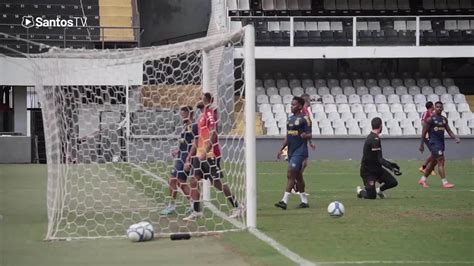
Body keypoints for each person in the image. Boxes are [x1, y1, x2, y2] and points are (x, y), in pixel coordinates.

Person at [183, 93, 242, 221]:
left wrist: (206, 150)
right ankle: (196, 211)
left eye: (202, 97)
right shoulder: (200, 117)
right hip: (199, 155)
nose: (198, 99)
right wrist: (189, 156)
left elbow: (214, 133)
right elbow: (196, 140)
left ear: (208, 101)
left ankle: (237, 206)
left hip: (210, 155)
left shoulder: (210, 114)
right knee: (193, 180)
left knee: (217, 183)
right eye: (198, 97)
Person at [275, 96, 312, 210]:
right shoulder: (289, 119)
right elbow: (288, 136)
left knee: (291, 173)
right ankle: (304, 202)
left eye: (294, 105)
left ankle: (284, 201)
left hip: (300, 151)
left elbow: (310, 134)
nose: (291, 106)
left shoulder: (305, 119)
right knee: (298, 176)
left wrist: (305, 136)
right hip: (291, 151)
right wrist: (281, 148)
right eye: (291, 104)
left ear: (300, 106)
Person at [160, 106, 197, 215]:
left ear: (188, 113)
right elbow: (186, 142)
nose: (181, 115)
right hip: (181, 156)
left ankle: (173, 205)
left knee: (174, 180)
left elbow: (195, 143)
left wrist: (188, 158)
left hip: (185, 158)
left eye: (183, 113)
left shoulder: (192, 125)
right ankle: (192, 204)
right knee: (179, 182)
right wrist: (178, 150)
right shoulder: (186, 125)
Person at [418, 101, 460, 188]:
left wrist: (455, 138)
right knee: (441, 160)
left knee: (433, 163)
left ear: (442, 108)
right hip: (433, 143)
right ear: (435, 108)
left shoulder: (444, 119)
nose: (439, 108)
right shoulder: (430, 119)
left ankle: (423, 180)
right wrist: (421, 145)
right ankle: (445, 182)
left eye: (440, 107)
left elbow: (449, 130)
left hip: (441, 144)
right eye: (437, 107)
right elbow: (423, 133)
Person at [357, 117, 401, 199]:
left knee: (393, 182)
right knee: (371, 196)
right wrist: (391, 168)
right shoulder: (374, 139)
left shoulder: (374, 137)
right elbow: (380, 159)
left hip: (377, 169)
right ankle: (360, 191)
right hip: (368, 172)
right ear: (381, 126)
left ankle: (379, 190)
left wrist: (391, 165)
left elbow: (378, 158)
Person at [290, 94, 316, 195]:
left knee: (303, 164)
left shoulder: (305, 112)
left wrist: (310, 142)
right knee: (300, 165)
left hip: (300, 143)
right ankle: (294, 186)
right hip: (298, 144)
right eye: (309, 100)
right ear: (306, 101)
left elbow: (307, 130)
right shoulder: (302, 113)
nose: (310, 102)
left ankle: (295, 185)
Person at [418, 101, 436, 177]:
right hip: (427, 136)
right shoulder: (426, 113)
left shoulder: (433, 114)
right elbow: (423, 123)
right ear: (431, 106)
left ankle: (425, 167)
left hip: (432, 136)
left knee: (434, 153)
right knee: (434, 153)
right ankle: (428, 168)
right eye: (434, 105)